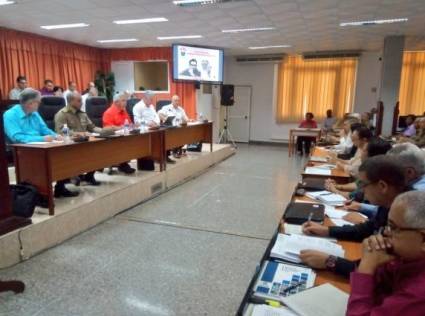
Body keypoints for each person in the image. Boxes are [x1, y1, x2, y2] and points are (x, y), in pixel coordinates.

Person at [299, 156, 406, 278]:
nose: (360, 190)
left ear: (383, 186)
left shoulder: (407, 216)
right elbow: (367, 229)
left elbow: (383, 272)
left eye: (363, 184)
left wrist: (330, 262)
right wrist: (327, 230)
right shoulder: (388, 204)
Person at [346, 191, 425, 315]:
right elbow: (379, 293)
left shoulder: (419, 294)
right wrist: (374, 262)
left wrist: (366, 269)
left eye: (393, 228)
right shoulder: (406, 257)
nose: (386, 233)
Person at [3, 88, 78, 198]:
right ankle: (38, 194)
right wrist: (41, 139)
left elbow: (45, 130)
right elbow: (17, 137)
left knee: (64, 152)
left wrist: (56, 136)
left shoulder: (34, 113)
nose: (40, 104)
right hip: (22, 149)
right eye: (38, 102)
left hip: (41, 145)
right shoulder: (9, 115)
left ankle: (60, 187)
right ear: (30, 103)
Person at [54, 92, 110, 186]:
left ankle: (89, 176)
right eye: (79, 101)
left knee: (100, 150)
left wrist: (104, 131)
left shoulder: (82, 114)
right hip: (70, 145)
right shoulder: (62, 114)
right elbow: (60, 132)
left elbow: (92, 127)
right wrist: (79, 134)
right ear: (71, 101)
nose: (81, 103)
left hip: (85, 143)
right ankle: (71, 176)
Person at [102, 92, 135, 174]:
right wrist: (121, 128)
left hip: (124, 136)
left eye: (126, 100)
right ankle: (122, 164)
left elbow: (129, 124)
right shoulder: (108, 113)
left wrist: (133, 126)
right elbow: (107, 128)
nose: (126, 103)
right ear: (116, 102)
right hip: (113, 139)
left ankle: (124, 163)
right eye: (123, 100)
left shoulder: (124, 111)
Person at [158, 95, 189, 161]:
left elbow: (186, 119)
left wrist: (186, 120)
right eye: (175, 100)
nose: (177, 102)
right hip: (169, 129)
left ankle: (177, 148)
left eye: (178, 101)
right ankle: (174, 150)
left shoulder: (181, 109)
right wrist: (165, 120)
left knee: (185, 133)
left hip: (179, 128)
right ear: (172, 101)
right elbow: (159, 113)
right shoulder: (166, 107)